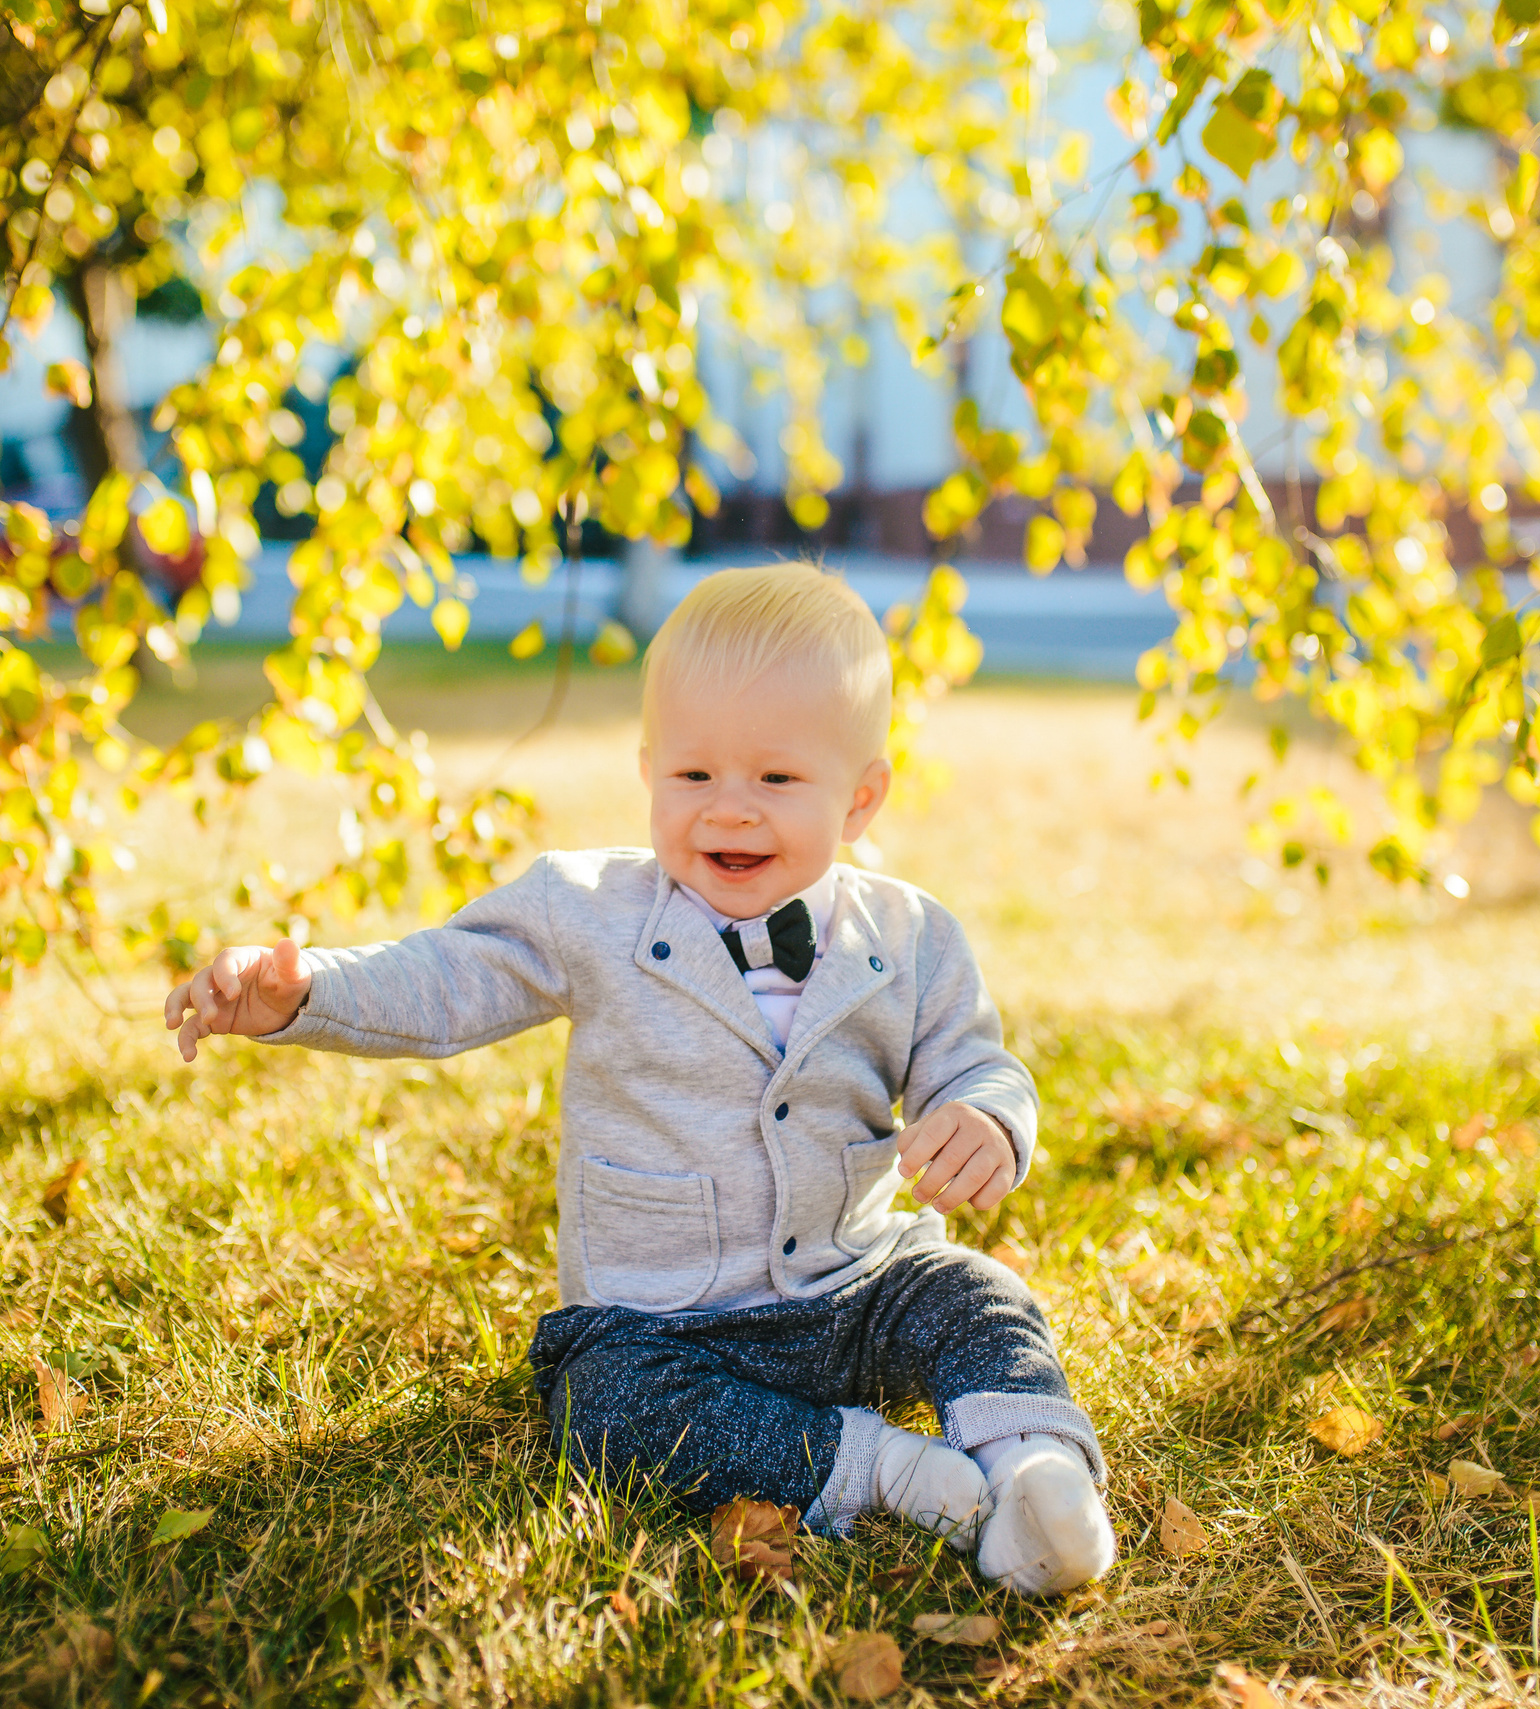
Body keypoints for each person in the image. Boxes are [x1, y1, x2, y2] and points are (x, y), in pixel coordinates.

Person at [164, 564, 1114, 1595]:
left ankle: (1033, 1470)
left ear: (861, 796)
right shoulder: (590, 910)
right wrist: (307, 990)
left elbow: (972, 1059)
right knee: (602, 1409)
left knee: (977, 1294)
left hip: (853, 1287)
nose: (730, 811)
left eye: (777, 780)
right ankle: (890, 1472)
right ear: (648, 770)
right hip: (660, 1320)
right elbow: (449, 977)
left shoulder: (913, 935)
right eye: (693, 776)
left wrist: (983, 1114)